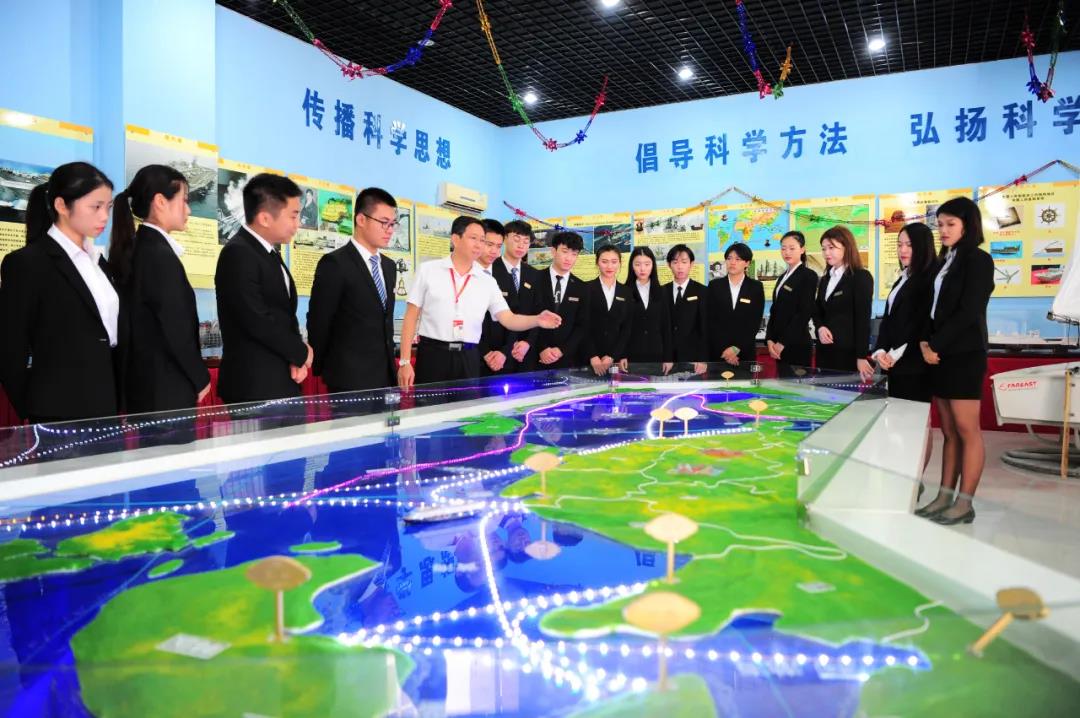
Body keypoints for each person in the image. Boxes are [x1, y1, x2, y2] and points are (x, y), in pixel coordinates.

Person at [0, 162, 121, 423]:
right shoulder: (27, 263)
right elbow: (10, 346)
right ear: (62, 206)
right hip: (57, 410)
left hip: (106, 403)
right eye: (96, 206)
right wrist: (31, 409)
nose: (104, 216)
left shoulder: (99, 262)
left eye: (108, 207)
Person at [397, 216, 561, 388]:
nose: (479, 245)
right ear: (455, 239)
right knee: (430, 404)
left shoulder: (487, 281)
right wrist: (405, 361)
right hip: (433, 355)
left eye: (482, 240)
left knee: (468, 405)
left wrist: (537, 320)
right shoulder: (428, 270)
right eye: (473, 238)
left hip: (469, 357)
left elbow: (509, 319)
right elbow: (410, 317)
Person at [916, 197, 995, 525]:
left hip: (963, 354)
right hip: (938, 355)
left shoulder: (978, 260)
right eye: (940, 224)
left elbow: (969, 310)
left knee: (967, 430)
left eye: (951, 224)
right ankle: (944, 497)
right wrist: (925, 342)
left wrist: (936, 344)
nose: (943, 230)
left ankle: (965, 503)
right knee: (949, 430)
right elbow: (931, 307)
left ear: (968, 225)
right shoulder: (945, 260)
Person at [109, 164, 211, 413]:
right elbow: (175, 325)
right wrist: (199, 376)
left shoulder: (140, 247)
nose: (188, 209)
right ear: (160, 202)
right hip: (166, 388)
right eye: (184, 200)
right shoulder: (158, 255)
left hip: (150, 386)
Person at [214, 173, 312, 404]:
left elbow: (283, 314)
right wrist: (300, 352)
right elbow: (255, 319)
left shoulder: (268, 252)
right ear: (265, 218)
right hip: (253, 387)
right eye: (293, 216)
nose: (298, 224)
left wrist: (295, 359)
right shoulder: (238, 253)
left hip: (281, 380)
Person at [306, 187, 398, 393]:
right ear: (361, 219)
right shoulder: (335, 264)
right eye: (384, 222)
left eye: (393, 224)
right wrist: (324, 367)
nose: (390, 230)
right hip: (348, 378)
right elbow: (319, 321)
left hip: (385, 376)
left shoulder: (389, 266)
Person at [871, 223, 936, 402]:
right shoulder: (902, 278)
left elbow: (921, 324)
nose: (903, 250)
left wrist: (894, 354)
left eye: (909, 245)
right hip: (891, 364)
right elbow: (888, 320)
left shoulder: (930, 279)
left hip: (913, 364)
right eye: (899, 245)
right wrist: (881, 350)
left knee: (910, 415)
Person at [813, 226, 874, 381]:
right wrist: (820, 327)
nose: (826, 253)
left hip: (848, 355)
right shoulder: (826, 279)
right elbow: (817, 309)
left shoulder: (860, 277)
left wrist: (861, 356)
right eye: (824, 249)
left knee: (845, 395)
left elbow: (863, 319)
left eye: (831, 247)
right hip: (824, 352)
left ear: (847, 247)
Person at [706, 242, 764, 377]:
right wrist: (725, 351)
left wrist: (736, 348)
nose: (732, 262)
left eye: (738, 259)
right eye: (729, 258)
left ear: (747, 263)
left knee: (743, 389)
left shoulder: (755, 287)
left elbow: (754, 322)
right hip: (718, 353)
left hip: (744, 353)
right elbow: (710, 320)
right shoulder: (715, 286)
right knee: (717, 389)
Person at [534, 231, 590, 370]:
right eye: (565, 252)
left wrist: (561, 351)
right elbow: (527, 316)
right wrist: (542, 348)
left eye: (574, 254)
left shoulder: (582, 287)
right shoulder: (535, 279)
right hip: (535, 355)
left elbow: (582, 326)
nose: (569, 258)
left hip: (567, 359)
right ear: (553, 251)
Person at [765, 231, 818, 377]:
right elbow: (775, 310)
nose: (787, 252)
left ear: (802, 249)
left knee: (798, 388)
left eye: (792, 248)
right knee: (783, 386)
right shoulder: (782, 277)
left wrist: (782, 343)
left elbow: (804, 313)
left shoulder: (808, 275)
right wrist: (769, 339)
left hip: (796, 345)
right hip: (778, 346)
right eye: (783, 248)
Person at [491, 219, 541, 372]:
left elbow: (538, 313)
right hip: (496, 352)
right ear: (505, 238)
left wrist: (527, 342)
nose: (521, 245)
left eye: (526, 241)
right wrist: (503, 349)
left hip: (525, 353)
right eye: (516, 239)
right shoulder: (491, 269)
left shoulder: (534, 274)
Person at [582, 244, 633, 376]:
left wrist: (612, 356)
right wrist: (592, 355)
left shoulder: (626, 292)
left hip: (615, 359)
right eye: (604, 262)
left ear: (620, 263)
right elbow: (582, 325)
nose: (609, 266)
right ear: (597, 263)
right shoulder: (586, 289)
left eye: (614, 262)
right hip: (588, 358)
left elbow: (626, 328)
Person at [623, 246, 672, 374]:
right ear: (631, 266)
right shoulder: (624, 291)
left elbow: (666, 326)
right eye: (637, 264)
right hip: (631, 355)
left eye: (647, 264)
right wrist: (621, 355)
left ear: (653, 266)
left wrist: (668, 357)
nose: (642, 269)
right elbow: (621, 328)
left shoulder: (662, 291)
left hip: (657, 354)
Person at [663, 244, 708, 374]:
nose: (680, 266)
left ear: (691, 264)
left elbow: (705, 328)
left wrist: (703, 359)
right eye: (675, 262)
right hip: (667, 360)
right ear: (669, 265)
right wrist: (665, 357)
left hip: (693, 359)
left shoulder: (702, 291)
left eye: (684, 262)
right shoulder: (661, 292)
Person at [477, 219, 510, 375]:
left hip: (501, 359)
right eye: (489, 245)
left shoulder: (504, 275)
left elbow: (513, 315)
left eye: (498, 246)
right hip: (472, 355)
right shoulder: (463, 274)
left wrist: (504, 351)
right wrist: (485, 352)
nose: (494, 252)